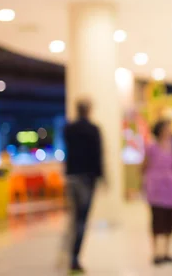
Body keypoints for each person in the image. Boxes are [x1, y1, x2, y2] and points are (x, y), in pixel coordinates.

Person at [62, 100, 104, 275]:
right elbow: (98, 154)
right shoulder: (93, 130)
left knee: (75, 216)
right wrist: (102, 176)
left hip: (72, 177)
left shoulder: (69, 129)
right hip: (87, 178)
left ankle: (71, 254)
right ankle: (74, 256)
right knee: (82, 218)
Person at [143, 119, 172, 266]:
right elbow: (144, 165)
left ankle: (166, 251)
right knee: (157, 220)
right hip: (156, 188)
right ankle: (156, 252)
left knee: (170, 220)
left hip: (171, 187)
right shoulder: (151, 147)